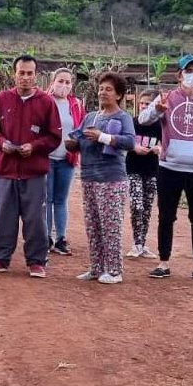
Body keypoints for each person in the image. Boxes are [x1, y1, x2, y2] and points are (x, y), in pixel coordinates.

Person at [139, 54, 193, 283]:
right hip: (168, 168)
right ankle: (163, 263)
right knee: (166, 217)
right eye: (189, 70)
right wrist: (157, 108)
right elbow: (143, 119)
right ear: (179, 75)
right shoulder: (167, 98)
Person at [0, 54, 62, 278]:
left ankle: (36, 261)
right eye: (21, 73)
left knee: (35, 218)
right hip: (6, 169)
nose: (25, 77)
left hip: (34, 171)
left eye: (29, 73)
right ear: (14, 74)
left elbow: (54, 136)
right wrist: (2, 143)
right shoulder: (2, 99)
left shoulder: (46, 103)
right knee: (4, 216)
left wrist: (34, 147)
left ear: (36, 76)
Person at [64, 73, 136, 284]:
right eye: (101, 88)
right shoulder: (91, 117)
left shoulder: (123, 118)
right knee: (93, 225)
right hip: (89, 177)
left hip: (111, 179)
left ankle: (114, 271)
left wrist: (103, 137)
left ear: (119, 95)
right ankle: (96, 268)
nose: (103, 92)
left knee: (111, 225)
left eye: (109, 89)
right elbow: (77, 137)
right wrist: (72, 144)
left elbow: (130, 142)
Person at [45, 68, 84, 256]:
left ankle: (60, 238)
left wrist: (78, 144)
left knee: (61, 200)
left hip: (67, 159)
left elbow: (80, 128)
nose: (64, 85)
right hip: (46, 158)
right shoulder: (43, 101)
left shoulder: (75, 104)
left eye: (68, 82)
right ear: (52, 81)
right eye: (60, 81)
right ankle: (46, 237)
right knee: (46, 199)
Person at [126, 89, 162, 259]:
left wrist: (159, 149)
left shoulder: (160, 125)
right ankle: (136, 243)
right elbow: (123, 141)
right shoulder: (132, 122)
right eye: (142, 103)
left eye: (148, 104)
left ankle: (142, 243)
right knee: (136, 205)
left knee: (147, 208)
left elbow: (166, 145)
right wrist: (134, 147)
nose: (144, 107)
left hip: (151, 170)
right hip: (133, 169)